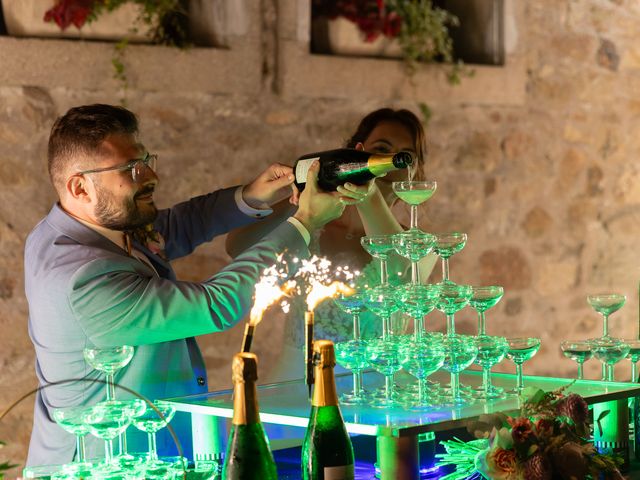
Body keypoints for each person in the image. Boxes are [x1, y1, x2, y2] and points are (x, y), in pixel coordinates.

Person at [24, 104, 350, 467]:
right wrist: (303, 224)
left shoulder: (83, 227)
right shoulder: (80, 279)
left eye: (146, 159)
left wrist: (252, 195)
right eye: (131, 168)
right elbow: (217, 304)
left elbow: (176, 226)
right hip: (104, 465)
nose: (150, 175)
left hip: (152, 456)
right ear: (79, 186)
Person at [226, 107, 438, 382]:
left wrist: (369, 196)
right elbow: (237, 247)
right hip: (298, 383)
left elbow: (401, 271)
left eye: (403, 156)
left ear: (412, 169)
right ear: (358, 152)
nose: (390, 160)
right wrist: (302, 200)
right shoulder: (309, 225)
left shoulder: (420, 246)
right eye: (381, 148)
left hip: (379, 391)